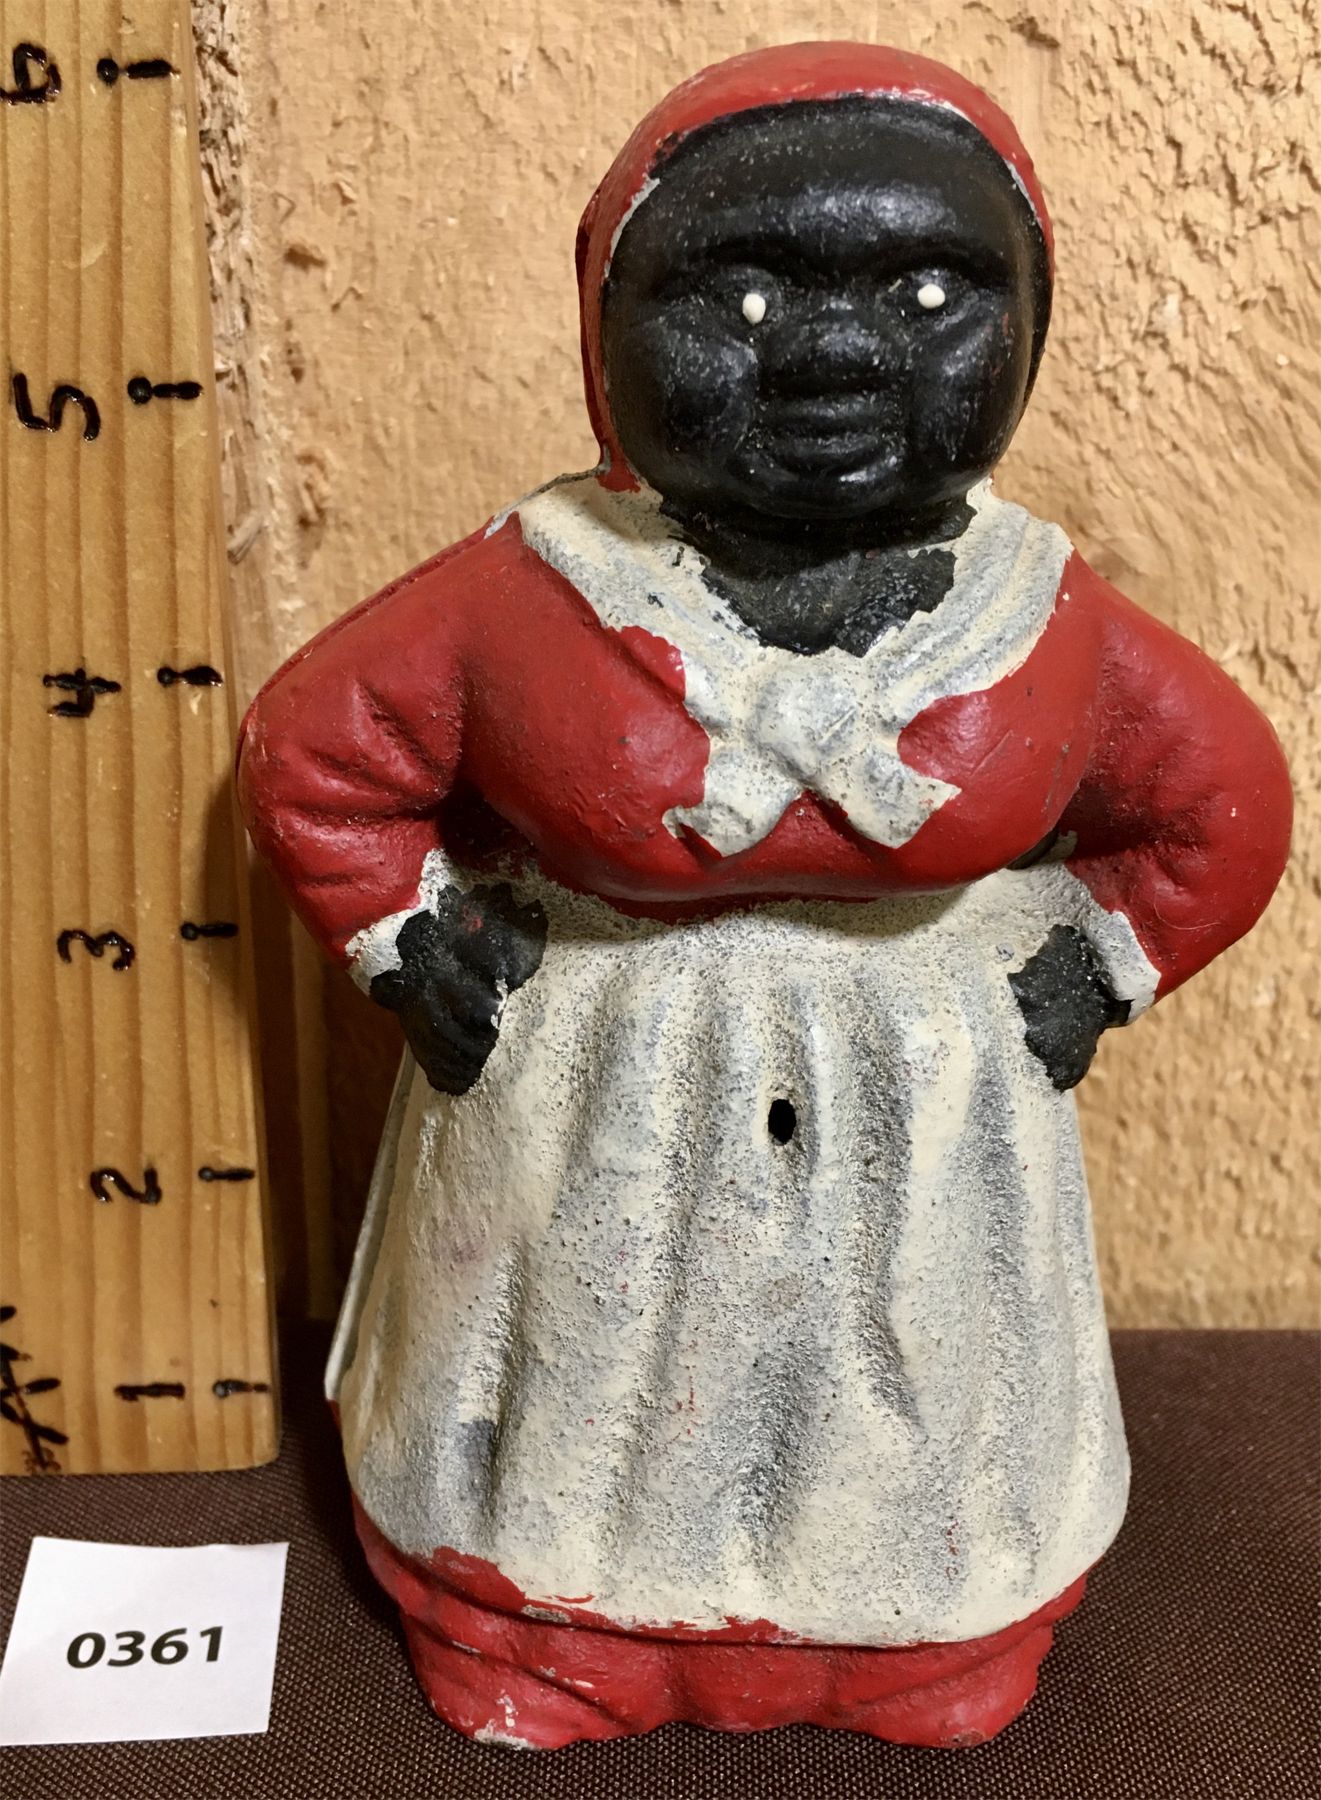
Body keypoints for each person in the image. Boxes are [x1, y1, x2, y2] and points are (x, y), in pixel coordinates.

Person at [238, 43, 1292, 1749]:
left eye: (930, 295)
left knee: (907, 1402)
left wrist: (1101, 959)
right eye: (731, 295)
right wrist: (406, 936)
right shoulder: (535, 588)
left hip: (925, 1118)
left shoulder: (1038, 611)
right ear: (607, 325)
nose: (829, 356)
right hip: (595, 1091)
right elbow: (317, 754)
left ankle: (915, 1649)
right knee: (576, 1394)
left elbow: (1218, 801)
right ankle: (540, 1639)